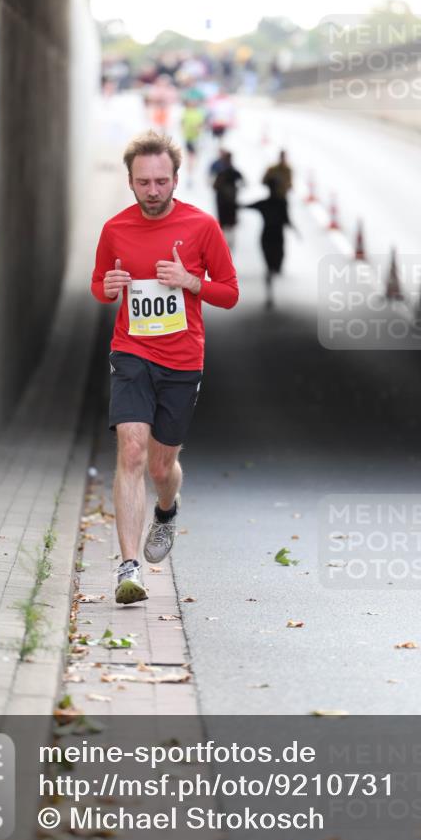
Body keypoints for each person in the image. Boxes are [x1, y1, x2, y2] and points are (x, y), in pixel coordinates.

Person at [91, 131, 239, 605]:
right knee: (131, 450)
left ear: (176, 178)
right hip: (131, 353)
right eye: (143, 182)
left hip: (181, 359)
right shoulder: (115, 229)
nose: (152, 191)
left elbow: (230, 293)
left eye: (161, 181)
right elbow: (99, 285)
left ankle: (167, 508)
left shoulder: (201, 227)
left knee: (160, 465)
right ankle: (128, 568)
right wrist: (108, 287)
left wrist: (191, 280)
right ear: (130, 182)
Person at [243, 187, 292, 308]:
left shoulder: (265, 203)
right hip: (277, 237)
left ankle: (270, 293)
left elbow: (246, 206)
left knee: (270, 266)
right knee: (274, 264)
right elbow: (287, 219)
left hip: (266, 236)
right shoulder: (281, 203)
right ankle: (270, 294)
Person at [211, 151, 244, 249]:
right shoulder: (234, 172)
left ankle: (225, 243)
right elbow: (243, 183)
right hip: (230, 202)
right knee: (230, 223)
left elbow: (215, 186)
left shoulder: (222, 173)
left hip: (223, 202)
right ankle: (228, 244)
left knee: (225, 223)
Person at [180, 98, 206, 185]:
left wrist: (197, 129)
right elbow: (182, 124)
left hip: (196, 139)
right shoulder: (186, 113)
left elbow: (201, 125)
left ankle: (192, 174)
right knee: (190, 158)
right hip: (189, 138)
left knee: (194, 158)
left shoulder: (199, 114)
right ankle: (190, 176)